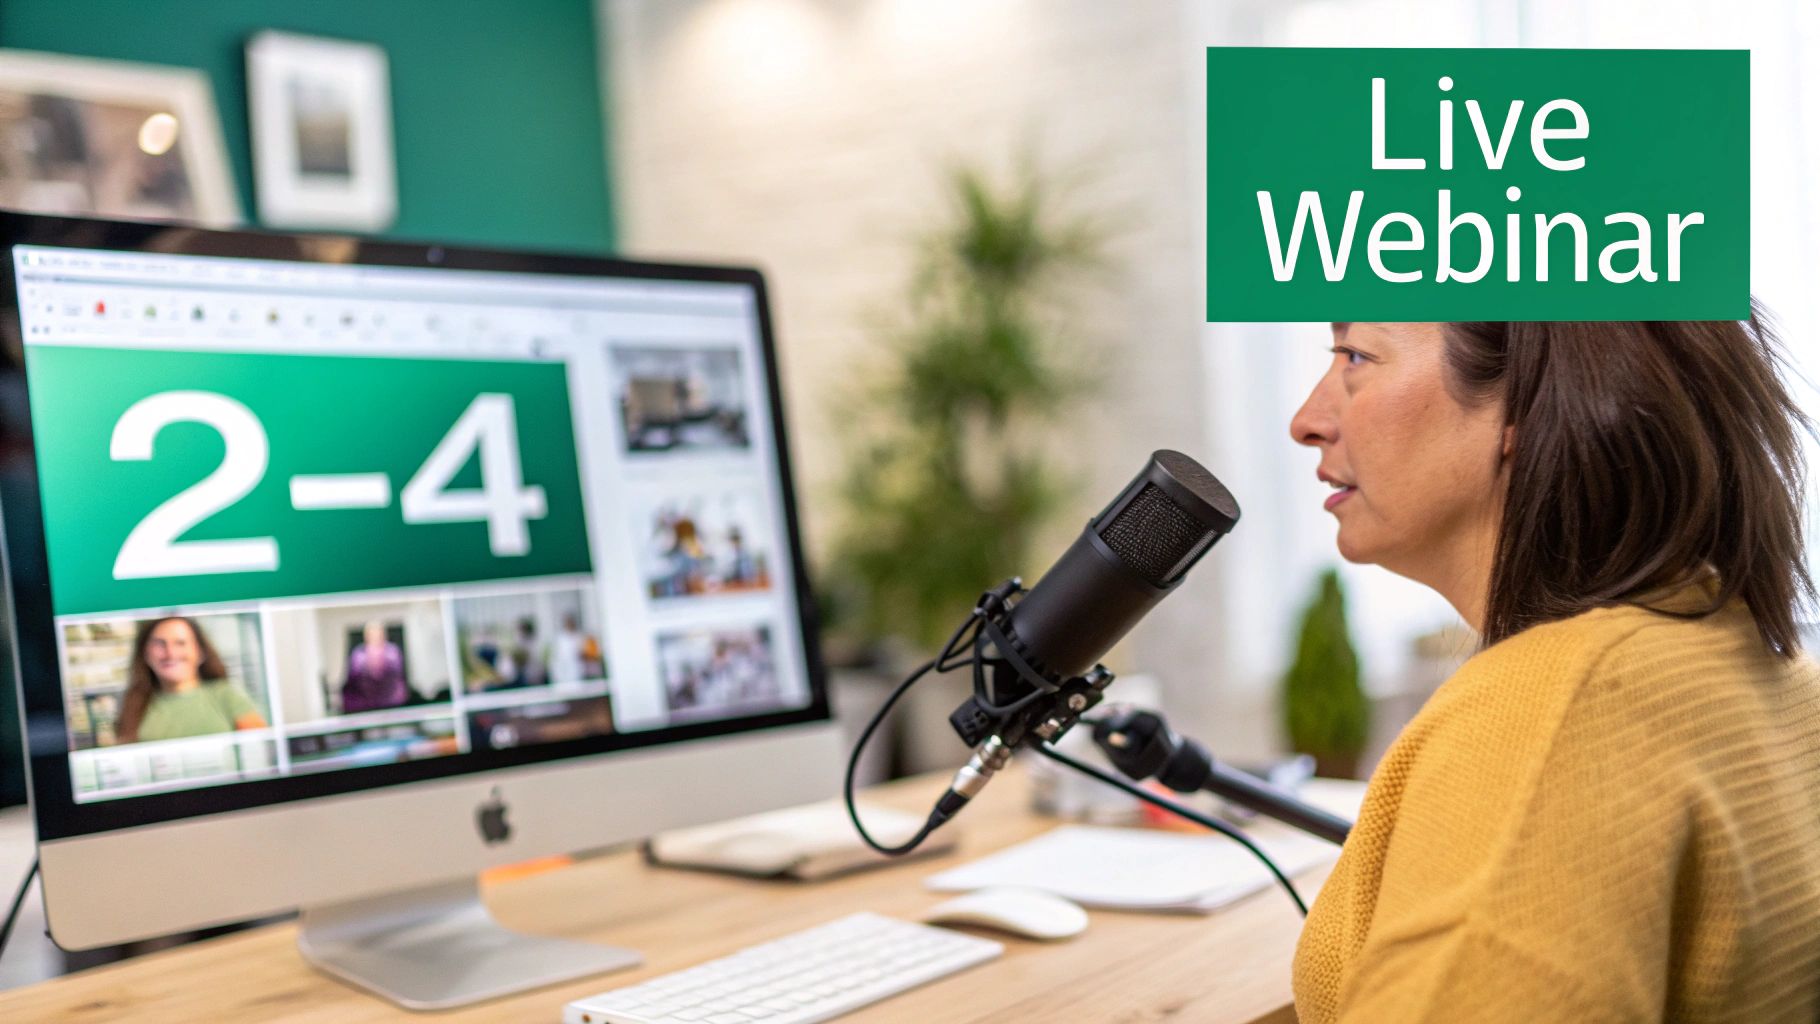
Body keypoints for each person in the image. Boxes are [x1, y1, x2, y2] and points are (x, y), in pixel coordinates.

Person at [1287, 319, 1820, 1022]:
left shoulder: (1547, 724)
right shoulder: (1757, 660)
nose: (1306, 422)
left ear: (1525, 402)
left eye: (1356, 355)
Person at [114, 616, 267, 743]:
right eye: (160, 644)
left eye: (180, 643)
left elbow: (262, 747)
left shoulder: (227, 694)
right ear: (145, 654)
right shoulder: (133, 706)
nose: (170, 653)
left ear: (200, 652)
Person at [341, 620, 408, 713]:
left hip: (392, 700)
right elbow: (353, 677)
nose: (375, 636)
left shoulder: (393, 651)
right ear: (366, 636)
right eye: (371, 634)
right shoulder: (358, 654)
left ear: (384, 634)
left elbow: (397, 672)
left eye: (378, 633)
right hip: (366, 702)